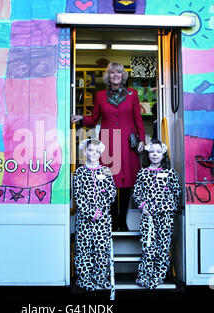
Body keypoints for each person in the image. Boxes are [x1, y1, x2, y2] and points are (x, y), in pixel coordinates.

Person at [72, 62, 145, 231]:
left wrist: (141, 139)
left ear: (123, 75)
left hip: (127, 141)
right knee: (108, 181)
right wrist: (81, 118)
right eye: (112, 73)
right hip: (108, 141)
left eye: (118, 72)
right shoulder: (100, 96)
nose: (116, 75)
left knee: (127, 181)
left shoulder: (132, 94)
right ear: (108, 77)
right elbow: (93, 118)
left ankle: (122, 221)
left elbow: (138, 118)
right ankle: (111, 220)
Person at [132, 139, 181, 289]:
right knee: (148, 246)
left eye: (158, 152)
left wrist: (167, 207)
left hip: (165, 217)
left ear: (163, 154)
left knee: (163, 246)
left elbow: (176, 193)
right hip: (148, 217)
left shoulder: (170, 173)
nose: (155, 154)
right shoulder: (143, 173)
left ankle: (158, 277)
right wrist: (143, 206)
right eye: (152, 151)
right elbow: (136, 193)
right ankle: (145, 275)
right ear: (148, 153)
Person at [73, 138, 117, 291]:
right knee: (84, 248)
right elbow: (78, 197)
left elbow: (111, 193)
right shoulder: (79, 173)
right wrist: (91, 212)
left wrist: (100, 210)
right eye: (90, 150)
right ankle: (84, 279)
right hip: (85, 220)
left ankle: (100, 278)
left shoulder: (106, 171)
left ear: (100, 153)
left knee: (101, 248)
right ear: (85, 151)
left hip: (103, 219)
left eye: (96, 151)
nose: (93, 153)